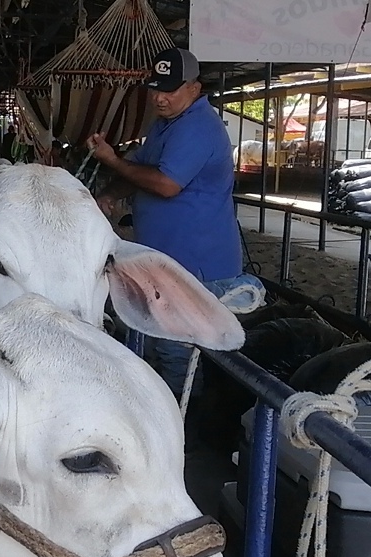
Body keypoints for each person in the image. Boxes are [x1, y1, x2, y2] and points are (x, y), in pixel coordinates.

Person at [86, 48, 261, 391]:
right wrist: (109, 194)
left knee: (179, 355)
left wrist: (112, 160)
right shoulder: (166, 125)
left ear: (194, 89)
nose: (159, 98)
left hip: (196, 268)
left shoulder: (198, 127)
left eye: (169, 90)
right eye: (154, 89)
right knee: (155, 345)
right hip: (163, 265)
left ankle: (187, 435)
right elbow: (141, 169)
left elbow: (166, 184)